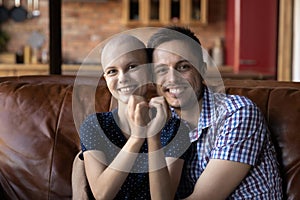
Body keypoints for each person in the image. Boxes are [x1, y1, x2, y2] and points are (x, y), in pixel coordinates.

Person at [147, 26, 283, 199]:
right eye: (162, 70)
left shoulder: (237, 113)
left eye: (183, 67)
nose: (173, 79)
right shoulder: (162, 121)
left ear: (202, 69)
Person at [79, 33, 192, 200]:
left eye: (132, 67)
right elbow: (101, 195)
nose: (123, 78)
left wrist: (153, 137)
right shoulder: (94, 125)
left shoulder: (174, 129)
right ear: (105, 78)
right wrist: (137, 137)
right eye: (112, 71)